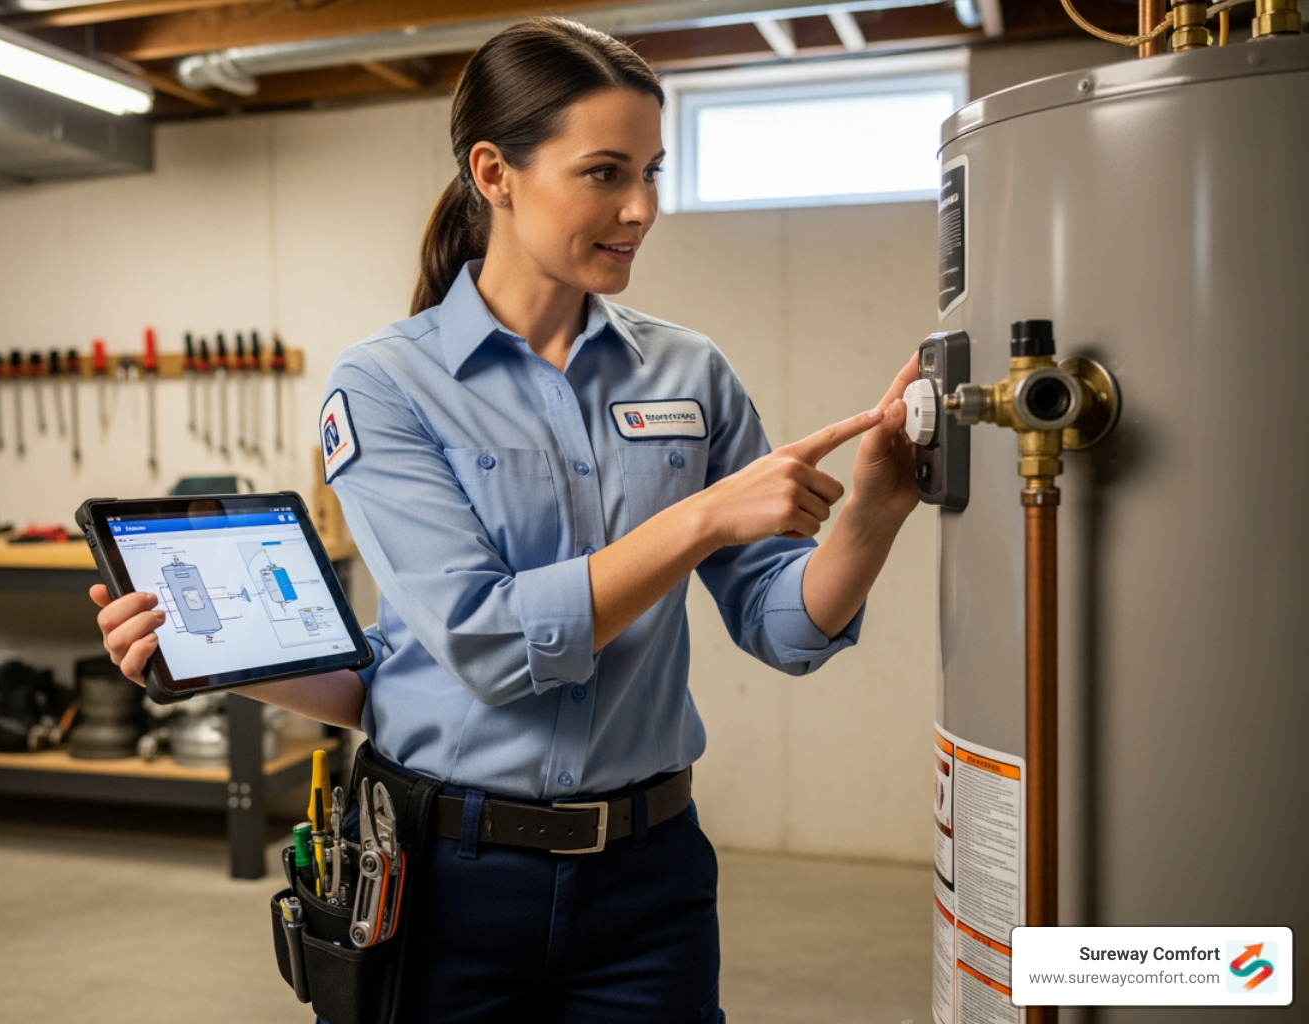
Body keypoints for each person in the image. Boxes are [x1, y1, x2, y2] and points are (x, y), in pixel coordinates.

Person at [93, 16, 919, 1023]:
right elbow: (485, 646)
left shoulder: (689, 372)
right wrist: (700, 518)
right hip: (440, 882)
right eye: (606, 173)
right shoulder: (388, 385)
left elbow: (785, 628)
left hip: (649, 883)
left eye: (654, 171)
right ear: (495, 171)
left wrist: (877, 504)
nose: (642, 208)